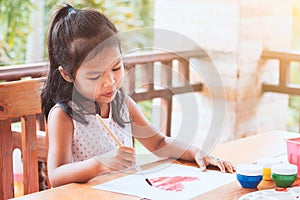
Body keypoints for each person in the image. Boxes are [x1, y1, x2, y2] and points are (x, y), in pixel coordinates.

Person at [41, 4, 235, 188]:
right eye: (95, 76)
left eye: (116, 68)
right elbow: (57, 175)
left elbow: (158, 142)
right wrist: (100, 164)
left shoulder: (122, 104)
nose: (110, 81)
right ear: (67, 75)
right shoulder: (64, 115)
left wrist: (196, 153)